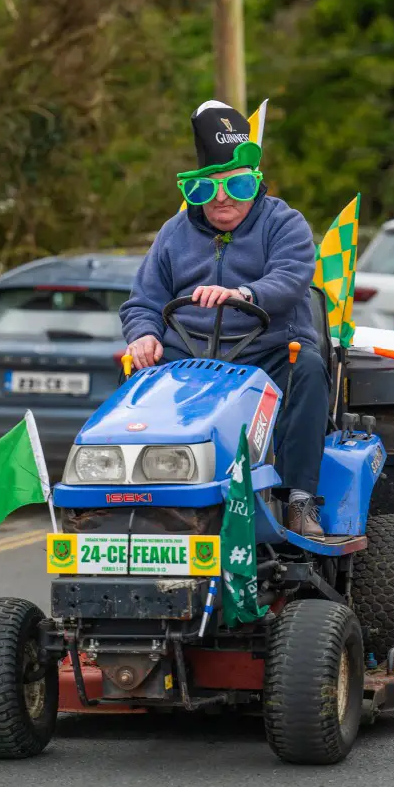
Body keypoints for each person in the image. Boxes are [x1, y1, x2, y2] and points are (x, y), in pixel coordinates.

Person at [119, 100, 330, 539]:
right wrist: (142, 335)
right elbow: (142, 302)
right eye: (206, 188)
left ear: (254, 183)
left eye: (235, 185)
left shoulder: (285, 223)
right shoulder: (173, 232)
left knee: (308, 368)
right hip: (187, 359)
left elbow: (291, 278)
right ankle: (132, 495)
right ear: (193, 189)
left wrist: (243, 294)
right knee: (132, 375)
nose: (221, 198)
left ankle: (299, 498)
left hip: (267, 353)